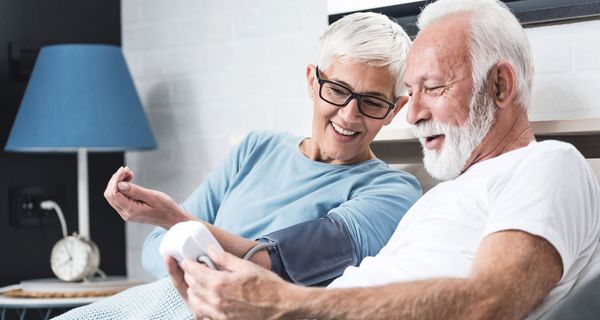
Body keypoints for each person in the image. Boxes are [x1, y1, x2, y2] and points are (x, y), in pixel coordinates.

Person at [166, 0, 600, 319]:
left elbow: (490, 300)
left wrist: (285, 305)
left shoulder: (548, 164)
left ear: (500, 86)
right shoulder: (440, 199)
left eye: (433, 88)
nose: (411, 114)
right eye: (411, 93)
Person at [52, 11, 420, 320]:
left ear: (395, 110)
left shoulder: (393, 192)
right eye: (337, 91)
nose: (349, 115)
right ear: (313, 81)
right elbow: (153, 249)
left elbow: (281, 264)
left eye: (372, 102)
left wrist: (175, 222)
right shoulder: (257, 148)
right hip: (164, 301)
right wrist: (173, 227)